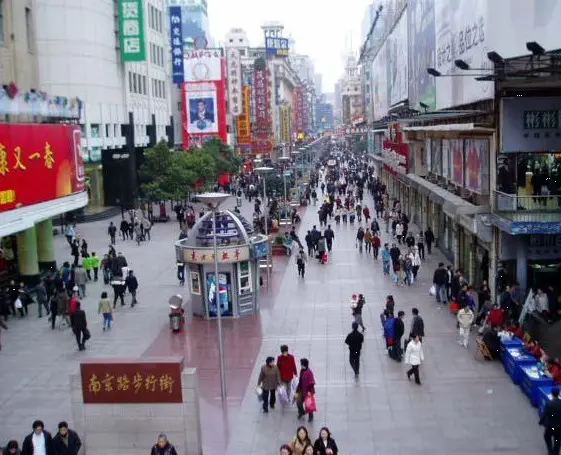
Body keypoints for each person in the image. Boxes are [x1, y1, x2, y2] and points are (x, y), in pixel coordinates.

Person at [539, 387, 561, 455]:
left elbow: (545, 414)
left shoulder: (549, 404)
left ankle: (550, 450)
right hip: (559, 426)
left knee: (547, 437)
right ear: (559, 394)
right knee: (557, 439)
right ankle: (556, 452)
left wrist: (540, 422)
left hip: (550, 426)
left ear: (552, 394)